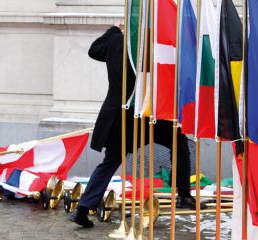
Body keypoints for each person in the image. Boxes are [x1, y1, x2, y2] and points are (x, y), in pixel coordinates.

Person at [69, 22, 205, 228]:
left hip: (121, 116)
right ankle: (184, 194)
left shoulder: (116, 42)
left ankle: (83, 207)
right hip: (149, 114)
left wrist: (114, 30)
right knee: (179, 144)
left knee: (110, 162)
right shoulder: (153, 44)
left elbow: (94, 50)